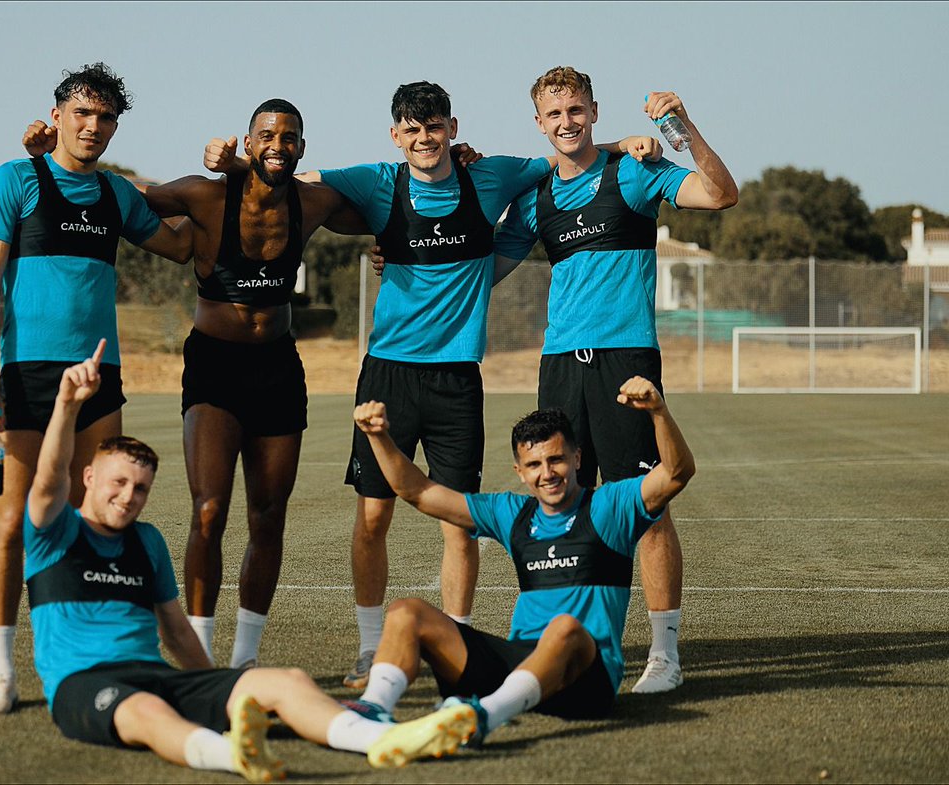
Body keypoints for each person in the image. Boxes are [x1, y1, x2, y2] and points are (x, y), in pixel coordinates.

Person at [206, 81, 659, 688]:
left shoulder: (492, 176)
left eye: (435, 126)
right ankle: (372, 648)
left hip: (457, 379)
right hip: (387, 373)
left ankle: (456, 645)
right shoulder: (377, 181)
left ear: (452, 126)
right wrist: (236, 163)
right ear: (397, 135)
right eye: (412, 129)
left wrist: (621, 144)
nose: (425, 138)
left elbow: (564, 153)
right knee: (372, 517)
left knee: (460, 523)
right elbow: (292, 179)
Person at [23, 340, 478, 780]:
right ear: (87, 478)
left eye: (140, 488)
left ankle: (381, 738)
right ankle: (232, 755)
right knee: (146, 711)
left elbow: (177, 631)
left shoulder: (146, 542)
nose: (128, 497)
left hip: (156, 674)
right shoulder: (55, 534)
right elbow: (46, 483)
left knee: (289, 682)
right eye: (117, 483)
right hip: (84, 685)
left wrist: (217, 690)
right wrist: (67, 404)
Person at [24, 97, 369, 669]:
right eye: (267, 136)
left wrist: (394, 237)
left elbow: (391, 210)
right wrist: (50, 159)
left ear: (302, 148)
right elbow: (115, 194)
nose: (278, 147)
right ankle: (201, 656)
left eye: (289, 139)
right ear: (249, 140)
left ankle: (245, 658)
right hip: (215, 365)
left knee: (268, 513)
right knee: (209, 509)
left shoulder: (317, 201)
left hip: (279, 365)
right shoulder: (204, 194)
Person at [491, 66, 738, 693]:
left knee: (647, 507)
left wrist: (680, 129)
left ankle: (664, 655)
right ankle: (577, 647)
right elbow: (483, 269)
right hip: (559, 366)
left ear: (593, 111)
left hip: (626, 359)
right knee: (565, 507)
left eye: (576, 110)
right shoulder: (536, 196)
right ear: (539, 124)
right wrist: (407, 257)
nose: (566, 123)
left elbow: (720, 194)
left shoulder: (632, 170)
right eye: (554, 114)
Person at [0, 62, 193, 717]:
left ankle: (75, 658)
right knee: (15, 521)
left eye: (106, 118)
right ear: (59, 114)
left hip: (100, 377)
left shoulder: (117, 196)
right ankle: (2, 671)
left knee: (84, 523)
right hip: (26, 377)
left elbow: (180, 246)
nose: (93, 127)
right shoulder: (15, 181)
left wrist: (236, 204)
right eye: (83, 114)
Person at [348, 374, 695, 741]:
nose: (547, 474)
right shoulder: (512, 514)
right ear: (520, 472)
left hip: (584, 676)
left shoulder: (610, 506)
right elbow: (418, 492)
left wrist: (658, 412)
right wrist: (378, 437)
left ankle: (482, 717)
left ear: (578, 459)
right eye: (534, 465)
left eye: (557, 460)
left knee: (563, 627)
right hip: (520, 665)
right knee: (407, 611)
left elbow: (676, 472)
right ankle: (372, 712)